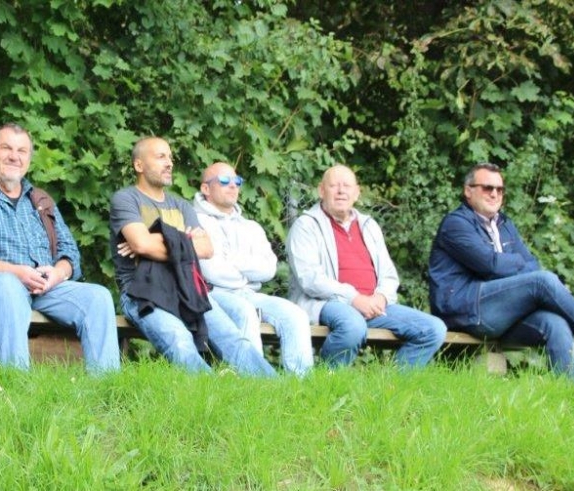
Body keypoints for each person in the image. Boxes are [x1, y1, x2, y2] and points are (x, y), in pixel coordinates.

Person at [428, 162, 574, 380]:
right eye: (487, 188)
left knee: (555, 322)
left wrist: (512, 267)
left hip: (499, 314)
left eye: (500, 189)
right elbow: (490, 265)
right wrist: (517, 266)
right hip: (464, 310)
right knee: (543, 282)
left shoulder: (505, 225)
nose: (495, 194)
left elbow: (531, 264)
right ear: (468, 191)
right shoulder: (456, 224)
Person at [0, 124, 120, 373]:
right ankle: (16, 381)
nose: (14, 156)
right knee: (8, 284)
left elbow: (70, 252)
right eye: (6, 148)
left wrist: (58, 273)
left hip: (44, 288)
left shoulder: (41, 201)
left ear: (29, 159)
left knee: (98, 297)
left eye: (22, 151)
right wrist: (16, 273)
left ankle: (106, 386)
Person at [109, 137, 276, 376]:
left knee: (233, 339)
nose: (169, 163)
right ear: (139, 165)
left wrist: (154, 242)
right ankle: (213, 392)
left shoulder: (182, 206)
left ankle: (276, 390)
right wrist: (182, 241)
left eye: (170, 157)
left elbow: (206, 248)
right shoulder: (126, 199)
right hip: (141, 292)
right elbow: (142, 243)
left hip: (188, 289)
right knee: (179, 340)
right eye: (160, 157)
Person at [287, 164, 446, 368]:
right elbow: (310, 279)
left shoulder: (369, 226)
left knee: (433, 329)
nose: (341, 191)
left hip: (373, 306)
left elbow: (389, 274)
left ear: (356, 193)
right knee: (353, 326)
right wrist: (354, 298)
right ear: (321, 190)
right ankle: (329, 380)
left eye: (346, 186)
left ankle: (393, 384)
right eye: (334, 185)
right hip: (326, 303)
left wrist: (381, 297)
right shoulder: (306, 225)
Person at [193, 161, 315, 376]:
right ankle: (254, 381)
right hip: (213, 294)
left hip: (249, 294)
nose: (233, 185)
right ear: (205, 188)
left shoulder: (251, 227)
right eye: (224, 180)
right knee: (245, 311)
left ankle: (301, 382)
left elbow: (268, 269)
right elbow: (211, 272)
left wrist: (232, 261)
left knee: (296, 315)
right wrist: (247, 273)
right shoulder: (195, 221)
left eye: (237, 181)